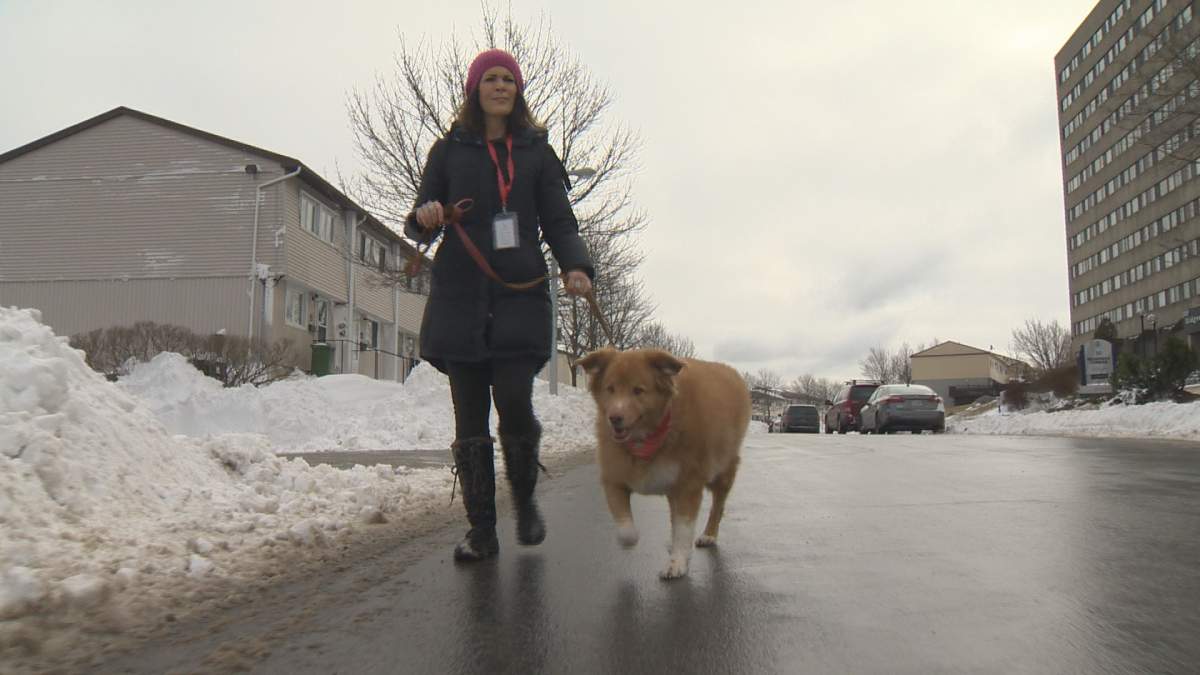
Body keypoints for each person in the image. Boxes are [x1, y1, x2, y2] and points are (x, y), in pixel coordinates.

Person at [404, 49, 595, 562]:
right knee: (469, 417)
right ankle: (482, 530)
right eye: (489, 78)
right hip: (460, 296)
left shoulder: (536, 153)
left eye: (508, 79)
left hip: (519, 294)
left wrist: (577, 266)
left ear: (518, 90)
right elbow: (416, 219)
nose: (499, 86)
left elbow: (560, 222)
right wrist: (426, 216)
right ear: (474, 89)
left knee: (513, 400)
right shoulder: (447, 152)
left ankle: (526, 500)